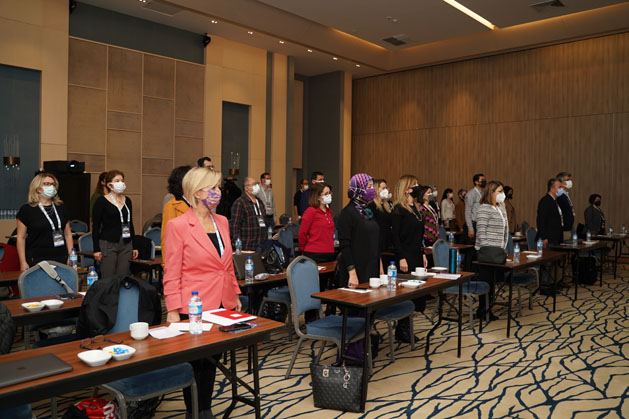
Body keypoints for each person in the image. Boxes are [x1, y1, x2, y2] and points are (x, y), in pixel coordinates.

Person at [163, 167, 241, 418]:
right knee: (197, 363)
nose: (219, 192)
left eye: (218, 187)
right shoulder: (178, 225)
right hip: (194, 305)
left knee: (213, 360)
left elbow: (227, 264)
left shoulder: (222, 221)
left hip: (223, 302)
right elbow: (172, 271)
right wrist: (172, 309)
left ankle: (204, 408)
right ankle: (196, 412)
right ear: (198, 192)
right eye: (213, 188)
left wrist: (235, 292)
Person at [16, 173, 73, 271]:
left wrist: (71, 256)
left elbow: (68, 234)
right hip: (36, 259)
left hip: (61, 258)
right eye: (46, 184)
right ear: (38, 188)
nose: (51, 186)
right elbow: (21, 238)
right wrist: (23, 262)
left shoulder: (61, 207)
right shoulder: (27, 210)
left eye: (53, 184)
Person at [92, 170, 139, 280]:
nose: (120, 183)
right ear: (109, 185)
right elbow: (96, 226)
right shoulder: (101, 201)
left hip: (126, 243)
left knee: (122, 277)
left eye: (122, 181)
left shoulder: (127, 201)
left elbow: (130, 223)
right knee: (108, 278)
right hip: (108, 243)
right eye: (117, 181)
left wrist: (135, 246)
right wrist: (96, 249)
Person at [337, 174, 381, 288]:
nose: (372, 189)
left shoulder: (368, 210)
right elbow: (345, 246)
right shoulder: (347, 213)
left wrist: (379, 265)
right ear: (358, 189)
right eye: (369, 187)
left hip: (372, 266)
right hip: (357, 269)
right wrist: (352, 273)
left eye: (372, 186)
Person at [475, 180, 508, 321]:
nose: (502, 194)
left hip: (498, 251)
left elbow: (505, 229)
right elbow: (481, 232)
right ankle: (483, 310)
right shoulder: (484, 208)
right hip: (487, 253)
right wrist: (488, 249)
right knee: (486, 282)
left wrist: (503, 247)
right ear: (491, 192)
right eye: (500, 191)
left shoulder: (501, 207)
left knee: (493, 283)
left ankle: (487, 309)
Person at [391, 175, 428, 275]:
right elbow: (395, 235)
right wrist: (401, 257)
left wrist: (423, 253)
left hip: (417, 255)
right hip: (405, 256)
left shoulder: (416, 208)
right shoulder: (398, 209)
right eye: (414, 184)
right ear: (406, 190)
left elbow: (420, 235)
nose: (418, 186)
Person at [298, 182, 335, 263]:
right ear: (318, 197)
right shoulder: (311, 211)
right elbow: (302, 233)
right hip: (314, 253)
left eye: (329, 193)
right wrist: (303, 250)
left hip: (329, 252)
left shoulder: (329, 211)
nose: (329, 195)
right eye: (326, 194)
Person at [161, 165, 192, 259]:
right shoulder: (171, 205)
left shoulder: (198, 203)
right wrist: (166, 263)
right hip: (181, 257)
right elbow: (167, 238)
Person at [229, 177, 266, 251]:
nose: (257, 186)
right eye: (254, 184)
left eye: (257, 184)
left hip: (261, 244)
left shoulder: (260, 202)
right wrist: (238, 245)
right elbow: (235, 226)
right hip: (247, 245)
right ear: (246, 188)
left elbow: (264, 221)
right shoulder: (240, 203)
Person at [367, 179, 394, 263]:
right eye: (383, 188)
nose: (386, 190)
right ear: (376, 189)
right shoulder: (371, 206)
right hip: (378, 242)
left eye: (386, 188)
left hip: (387, 241)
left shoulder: (386, 205)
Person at [536, 178, 564, 247]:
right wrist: (544, 237)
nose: (562, 189)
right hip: (548, 240)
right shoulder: (545, 201)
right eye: (559, 187)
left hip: (556, 238)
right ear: (552, 189)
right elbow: (541, 220)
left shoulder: (555, 201)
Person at [465, 173, 486, 241]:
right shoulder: (471, 194)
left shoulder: (483, 193)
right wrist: (470, 228)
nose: (484, 181)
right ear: (476, 182)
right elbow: (468, 212)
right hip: (474, 224)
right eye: (482, 180)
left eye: (484, 180)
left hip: (482, 224)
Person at [556, 172, 575, 241]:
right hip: (563, 228)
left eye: (570, 179)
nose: (570, 182)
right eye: (567, 180)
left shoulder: (565, 194)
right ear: (560, 182)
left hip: (568, 227)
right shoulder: (559, 195)